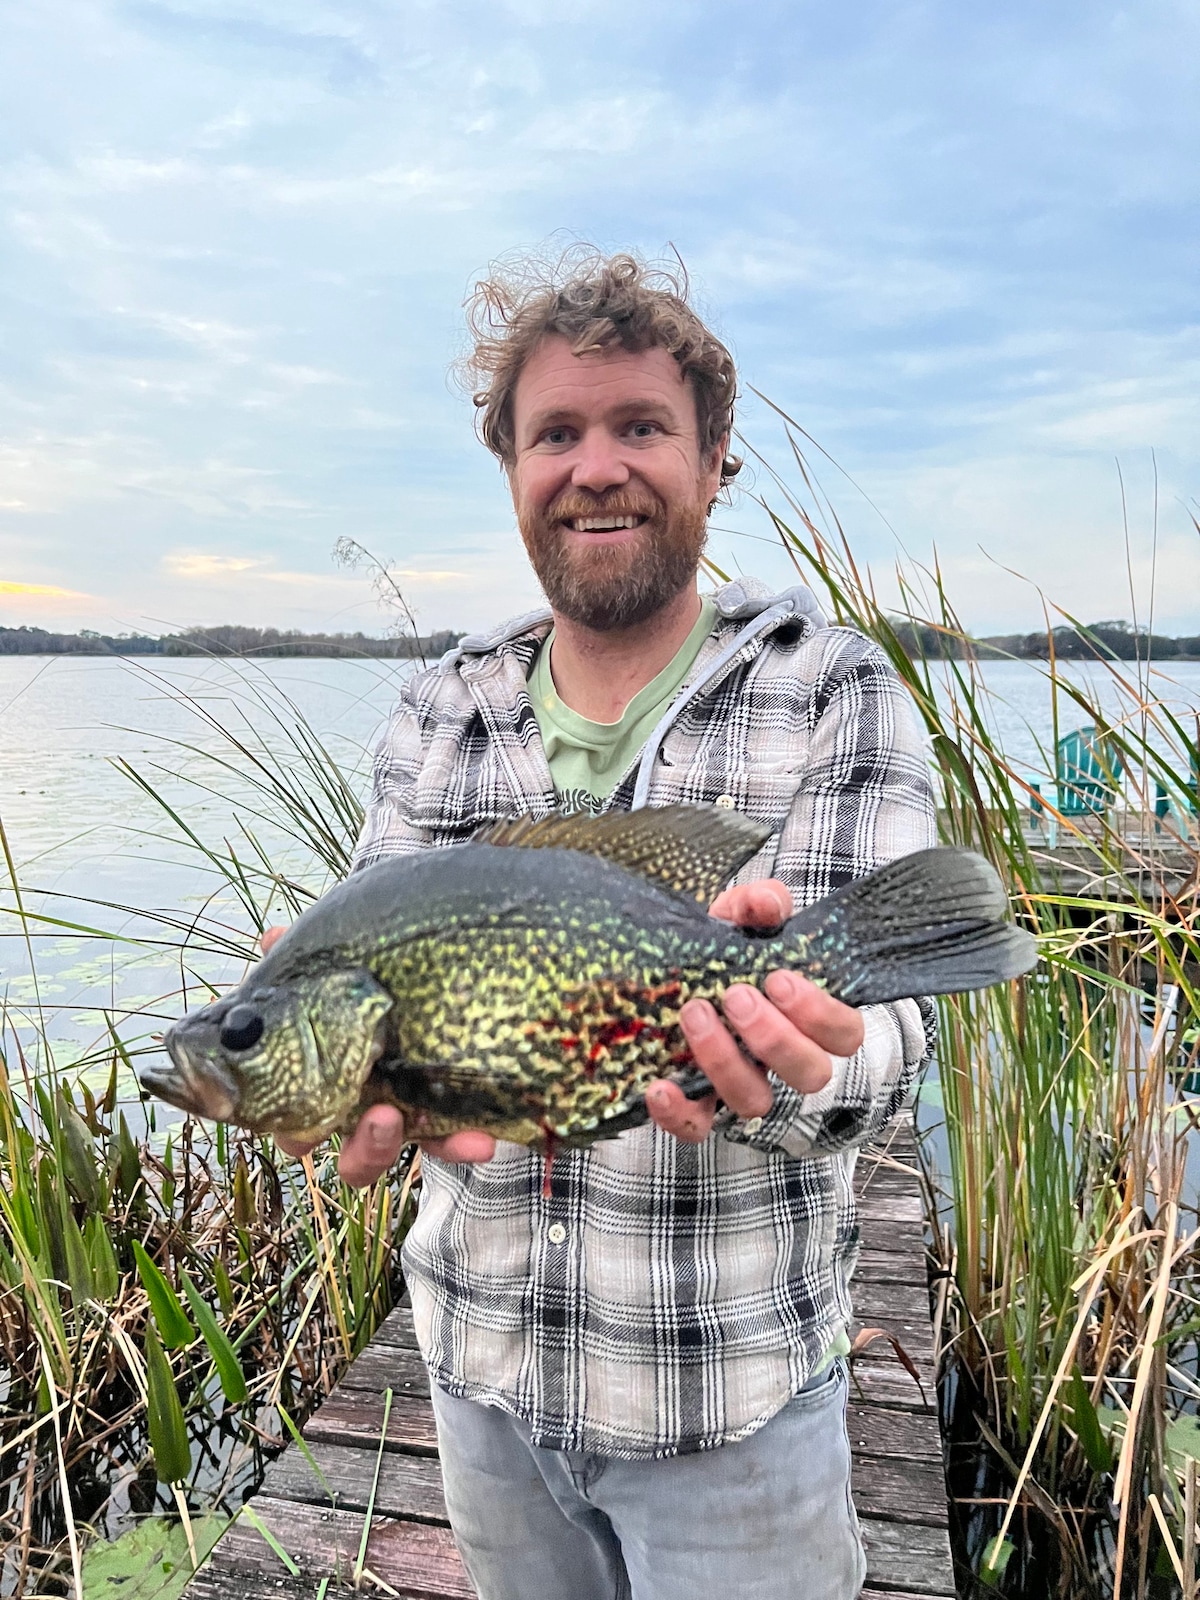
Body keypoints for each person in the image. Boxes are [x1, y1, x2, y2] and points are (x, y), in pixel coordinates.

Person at [274, 248, 936, 1600]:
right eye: (556, 433)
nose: (597, 466)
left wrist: (815, 1047)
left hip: (730, 1404)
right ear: (512, 467)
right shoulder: (437, 710)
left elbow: (895, 1037)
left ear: (710, 461)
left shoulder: (832, 687)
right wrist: (338, 1105)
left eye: (641, 426)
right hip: (480, 1382)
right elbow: (377, 984)